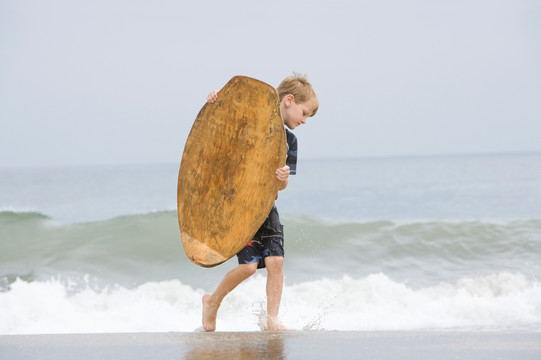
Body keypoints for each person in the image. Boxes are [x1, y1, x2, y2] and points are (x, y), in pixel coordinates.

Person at [202, 74, 319, 332]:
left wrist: (283, 178)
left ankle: (271, 320)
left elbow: (281, 186)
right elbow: (221, 131)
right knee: (248, 268)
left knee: (276, 262)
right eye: (305, 113)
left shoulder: (290, 142)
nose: (304, 120)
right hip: (241, 209)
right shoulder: (251, 124)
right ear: (289, 101)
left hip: (268, 207)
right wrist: (214, 103)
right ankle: (212, 301)